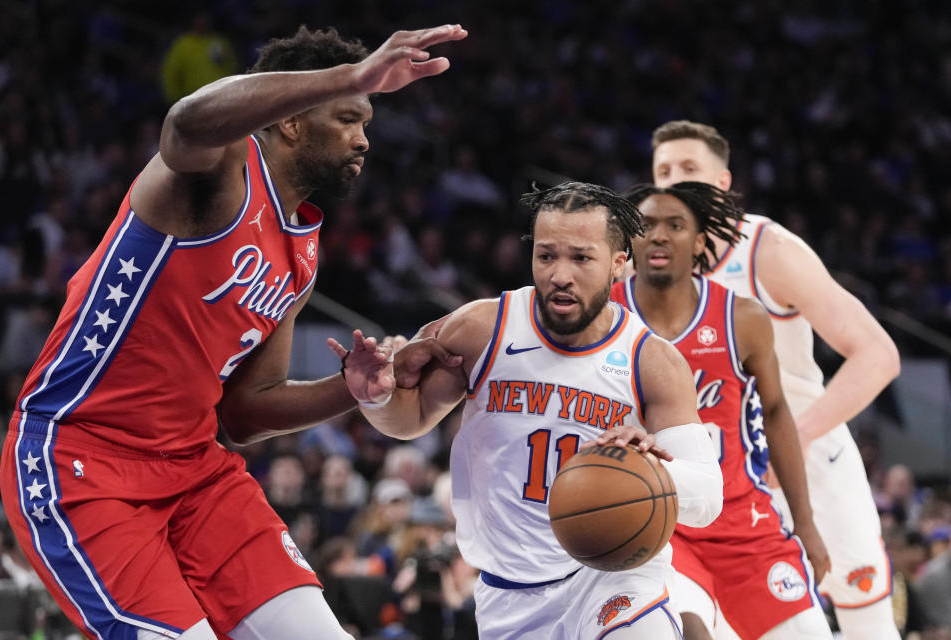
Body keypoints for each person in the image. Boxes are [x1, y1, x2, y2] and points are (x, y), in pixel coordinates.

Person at [0, 23, 467, 640]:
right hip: (82, 461)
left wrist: (349, 389)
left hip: (197, 471)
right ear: (293, 119)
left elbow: (246, 413)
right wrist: (354, 73)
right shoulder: (219, 175)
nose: (363, 140)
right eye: (350, 118)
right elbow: (184, 123)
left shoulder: (301, 248)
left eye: (367, 124)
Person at [332, 181, 724, 639]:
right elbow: (409, 420)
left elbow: (707, 499)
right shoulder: (481, 328)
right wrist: (375, 396)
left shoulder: (652, 361)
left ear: (620, 264)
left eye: (581, 257)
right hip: (508, 589)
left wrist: (651, 470)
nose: (560, 273)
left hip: (613, 574)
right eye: (546, 255)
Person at [649, 120, 902, 639]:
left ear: (722, 183)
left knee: (866, 619)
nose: (674, 181)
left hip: (807, 456)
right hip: (718, 479)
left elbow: (878, 355)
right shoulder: (644, 267)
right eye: (664, 172)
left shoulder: (767, 249)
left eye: (688, 169)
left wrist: (798, 436)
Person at [610, 182, 832, 639]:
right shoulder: (605, 316)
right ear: (629, 239)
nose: (660, 236)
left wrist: (805, 525)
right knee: (688, 632)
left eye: (676, 226)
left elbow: (775, 412)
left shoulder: (741, 318)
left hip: (743, 521)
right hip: (657, 521)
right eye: (646, 225)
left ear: (699, 242)